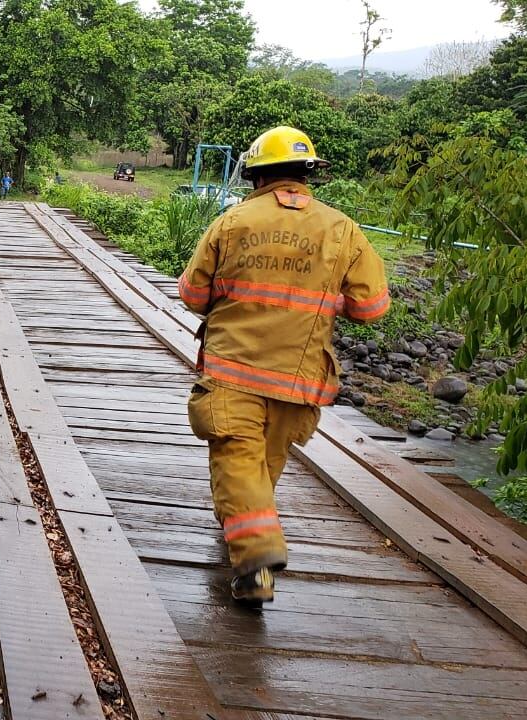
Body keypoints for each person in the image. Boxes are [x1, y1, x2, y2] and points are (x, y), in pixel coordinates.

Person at [177, 126, 389, 606]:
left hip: (234, 372)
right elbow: (372, 307)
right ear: (307, 174)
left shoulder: (233, 223)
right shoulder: (342, 229)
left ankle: (257, 557)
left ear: (256, 176)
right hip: (300, 380)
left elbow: (192, 295)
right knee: (262, 470)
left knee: (237, 461)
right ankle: (250, 551)